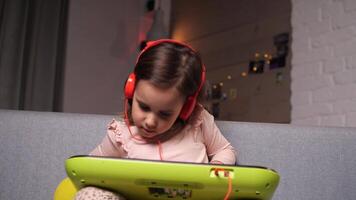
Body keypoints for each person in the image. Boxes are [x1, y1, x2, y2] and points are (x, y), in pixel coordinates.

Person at [75, 39, 236, 200]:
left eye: (164, 114)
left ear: (186, 108)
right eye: (144, 107)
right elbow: (90, 169)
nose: (150, 121)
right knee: (88, 195)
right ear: (131, 91)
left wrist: (215, 171)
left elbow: (224, 150)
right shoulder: (121, 136)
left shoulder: (198, 122)